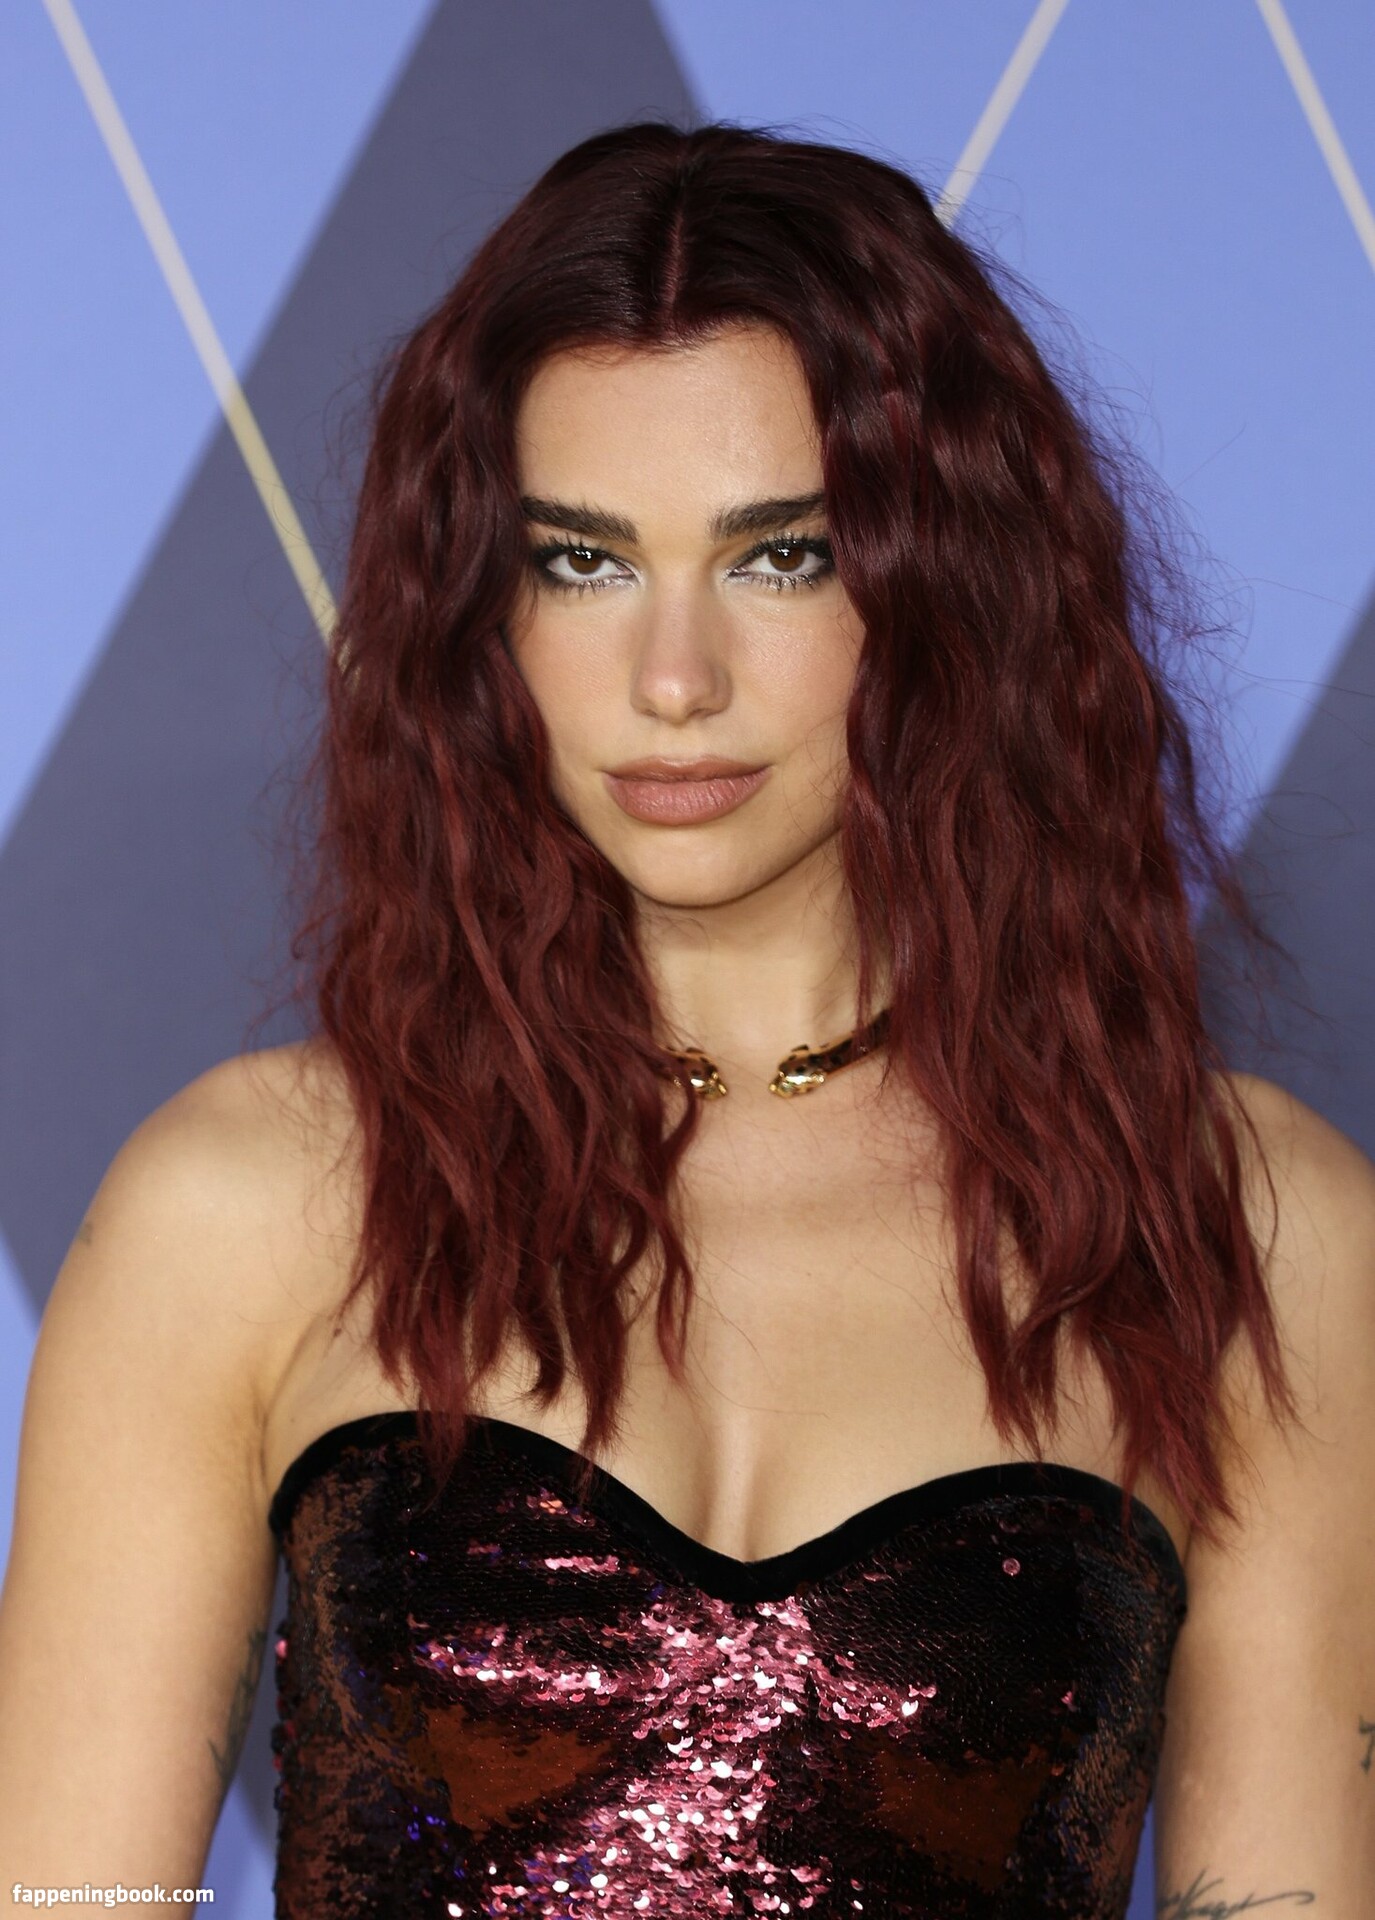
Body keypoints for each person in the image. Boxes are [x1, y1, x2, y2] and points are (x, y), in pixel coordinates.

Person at [1, 119, 1372, 1918]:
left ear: (948, 588)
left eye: (779, 557)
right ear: (479, 611)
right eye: (582, 562)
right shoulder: (246, 1202)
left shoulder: (1244, 1229)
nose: (673, 679)